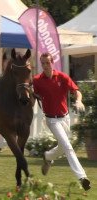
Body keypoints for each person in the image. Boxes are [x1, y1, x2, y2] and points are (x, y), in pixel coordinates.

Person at [33, 52, 91, 191]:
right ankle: (82, 177)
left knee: (62, 147)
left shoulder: (62, 77)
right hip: (51, 120)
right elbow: (34, 94)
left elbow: (76, 90)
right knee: (68, 147)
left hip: (65, 118)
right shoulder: (37, 80)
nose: (45, 66)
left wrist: (78, 100)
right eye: (43, 63)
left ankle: (47, 156)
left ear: (52, 62)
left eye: (48, 62)